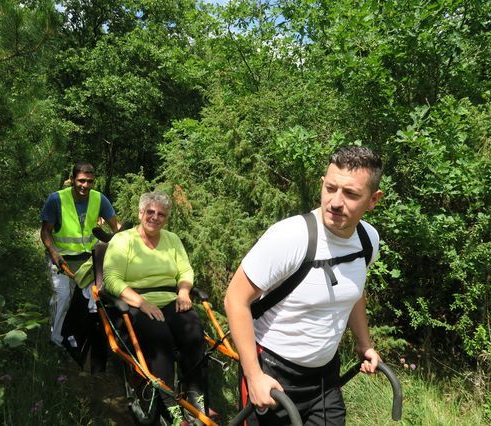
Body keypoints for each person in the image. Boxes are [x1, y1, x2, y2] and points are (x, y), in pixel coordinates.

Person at [224, 146, 384, 425]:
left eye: (351, 194)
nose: (335, 202)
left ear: (373, 200)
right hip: (272, 373)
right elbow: (235, 299)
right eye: (330, 188)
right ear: (322, 184)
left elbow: (354, 291)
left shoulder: (368, 240)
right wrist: (253, 376)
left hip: (325, 378)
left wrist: (364, 344)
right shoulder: (291, 237)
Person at [102, 190, 206, 415]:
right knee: (160, 339)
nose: (155, 217)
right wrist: (141, 303)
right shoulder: (123, 240)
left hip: (171, 298)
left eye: (161, 214)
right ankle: (167, 402)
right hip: (135, 302)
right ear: (140, 213)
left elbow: (185, 270)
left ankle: (195, 396)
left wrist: (184, 291)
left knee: (194, 334)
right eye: (150, 212)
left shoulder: (172, 240)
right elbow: (111, 280)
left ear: (166, 218)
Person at [40, 161, 120, 347]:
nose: (85, 185)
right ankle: (56, 338)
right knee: (62, 297)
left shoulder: (100, 199)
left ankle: (79, 336)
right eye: (81, 181)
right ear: (72, 179)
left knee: (90, 299)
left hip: (89, 260)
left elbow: (116, 227)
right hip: (62, 259)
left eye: (90, 181)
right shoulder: (56, 199)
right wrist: (53, 253)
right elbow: (45, 232)